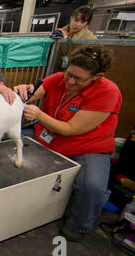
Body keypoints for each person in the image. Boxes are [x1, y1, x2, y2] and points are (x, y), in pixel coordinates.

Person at [14, 45, 122, 242]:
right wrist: (20, 93)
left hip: (87, 146)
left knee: (93, 186)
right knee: (6, 142)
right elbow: (32, 95)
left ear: (96, 77)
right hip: (48, 136)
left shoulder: (107, 92)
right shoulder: (57, 79)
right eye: (69, 74)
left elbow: (71, 129)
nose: (70, 81)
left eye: (78, 79)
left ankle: (79, 226)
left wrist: (38, 114)